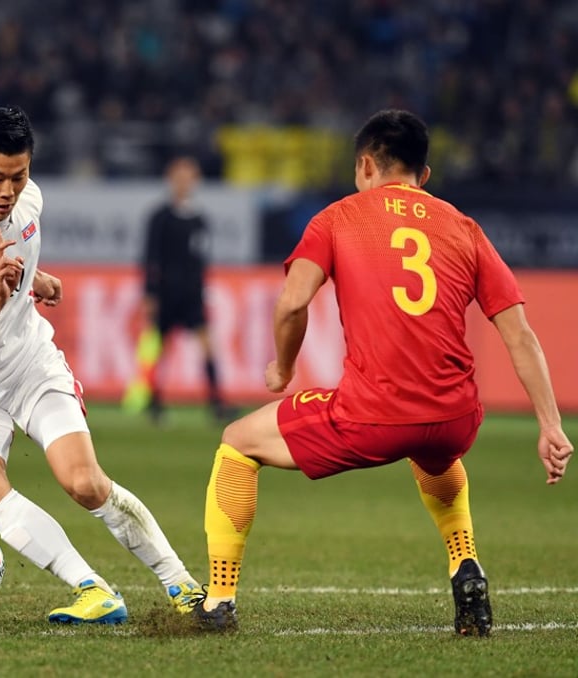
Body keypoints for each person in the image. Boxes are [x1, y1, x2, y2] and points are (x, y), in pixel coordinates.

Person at [192, 109, 572, 636]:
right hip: (456, 416)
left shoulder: (340, 216)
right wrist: (551, 426)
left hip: (372, 416)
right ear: (425, 176)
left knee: (237, 443)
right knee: (432, 451)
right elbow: (520, 335)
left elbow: (291, 303)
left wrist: (282, 367)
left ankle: (218, 599)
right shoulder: (465, 227)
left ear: (366, 165)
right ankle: (466, 562)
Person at [0, 105, 202, 624]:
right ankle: (92, 590)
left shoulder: (29, 200)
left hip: (30, 364)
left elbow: (19, 248)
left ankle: (184, 586)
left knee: (83, 482)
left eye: (19, 177)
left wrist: (35, 279)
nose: (8, 192)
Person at [127, 155, 231, 423]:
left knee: (207, 344)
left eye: (189, 177)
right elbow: (150, 258)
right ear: (170, 180)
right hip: (165, 294)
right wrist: (150, 293)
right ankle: (154, 400)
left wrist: (203, 289)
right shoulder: (160, 217)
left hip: (192, 295)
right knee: (159, 347)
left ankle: (217, 402)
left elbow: (200, 260)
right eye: (179, 177)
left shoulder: (199, 219)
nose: (184, 182)